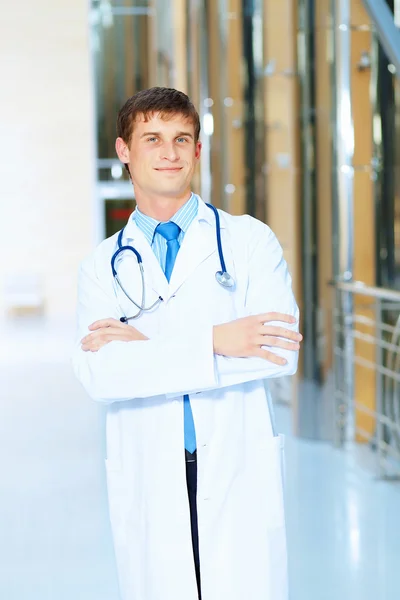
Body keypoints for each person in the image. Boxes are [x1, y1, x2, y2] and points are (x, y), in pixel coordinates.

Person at [72, 87, 302, 600]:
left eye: (182, 139)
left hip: (236, 462)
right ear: (125, 150)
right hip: (149, 464)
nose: (169, 152)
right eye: (152, 138)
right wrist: (221, 340)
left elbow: (280, 350)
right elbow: (102, 375)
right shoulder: (99, 267)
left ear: (198, 150)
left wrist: (145, 346)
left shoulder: (248, 241)